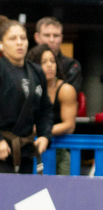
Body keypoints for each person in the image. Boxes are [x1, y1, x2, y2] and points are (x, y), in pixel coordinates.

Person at [0, 19, 52, 174]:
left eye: (23, 38)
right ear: (1, 44)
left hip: (25, 151)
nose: (19, 43)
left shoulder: (36, 72)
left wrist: (45, 135)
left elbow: (45, 109)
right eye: (12, 38)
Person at [25, 44, 77, 173]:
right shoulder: (27, 86)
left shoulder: (66, 89)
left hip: (60, 148)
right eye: (43, 62)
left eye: (52, 61)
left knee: (63, 191)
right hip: (29, 148)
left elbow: (69, 125)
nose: (49, 65)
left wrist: (42, 132)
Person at [34, 16, 83, 92]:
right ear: (37, 37)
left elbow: (69, 96)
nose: (51, 40)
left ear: (61, 38)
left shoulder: (72, 65)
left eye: (56, 35)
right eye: (47, 35)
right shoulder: (27, 63)